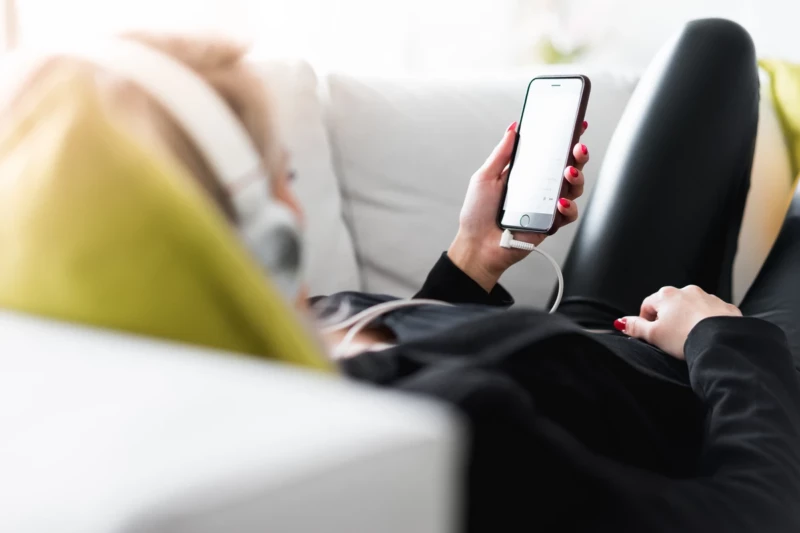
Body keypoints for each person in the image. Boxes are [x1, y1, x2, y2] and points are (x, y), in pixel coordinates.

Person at [1, 19, 799, 533]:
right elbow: (750, 515)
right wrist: (723, 338)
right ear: (258, 238)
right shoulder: (451, 431)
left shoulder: (271, 342)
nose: (293, 201)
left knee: (714, 46)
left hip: (594, 332)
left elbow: (416, 343)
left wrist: (471, 258)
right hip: (723, 388)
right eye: (282, 175)